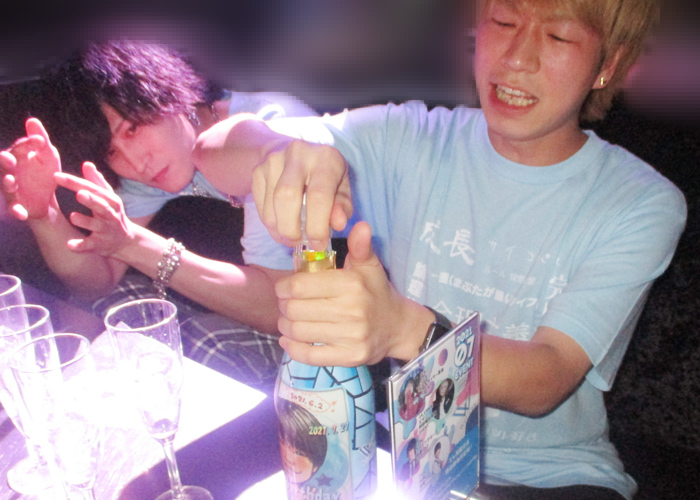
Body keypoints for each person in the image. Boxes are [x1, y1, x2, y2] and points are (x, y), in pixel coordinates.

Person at [197, 0, 687, 497]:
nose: (517, 57)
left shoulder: (641, 201)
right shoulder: (414, 138)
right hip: (406, 455)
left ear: (607, 64)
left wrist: (404, 328)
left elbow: (547, 377)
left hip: (548, 477)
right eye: (504, 22)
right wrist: (278, 151)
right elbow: (214, 147)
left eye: (558, 36)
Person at [0, 41, 316, 391]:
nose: (137, 163)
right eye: (112, 152)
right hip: (274, 305)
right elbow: (94, 284)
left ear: (166, 92)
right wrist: (44, 213)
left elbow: (278, 309)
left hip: (340, 312)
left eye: (132, 129)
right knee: (106, 310)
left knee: (194, 343)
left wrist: (133, 244)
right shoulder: (153, 168)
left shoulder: (269, 136)